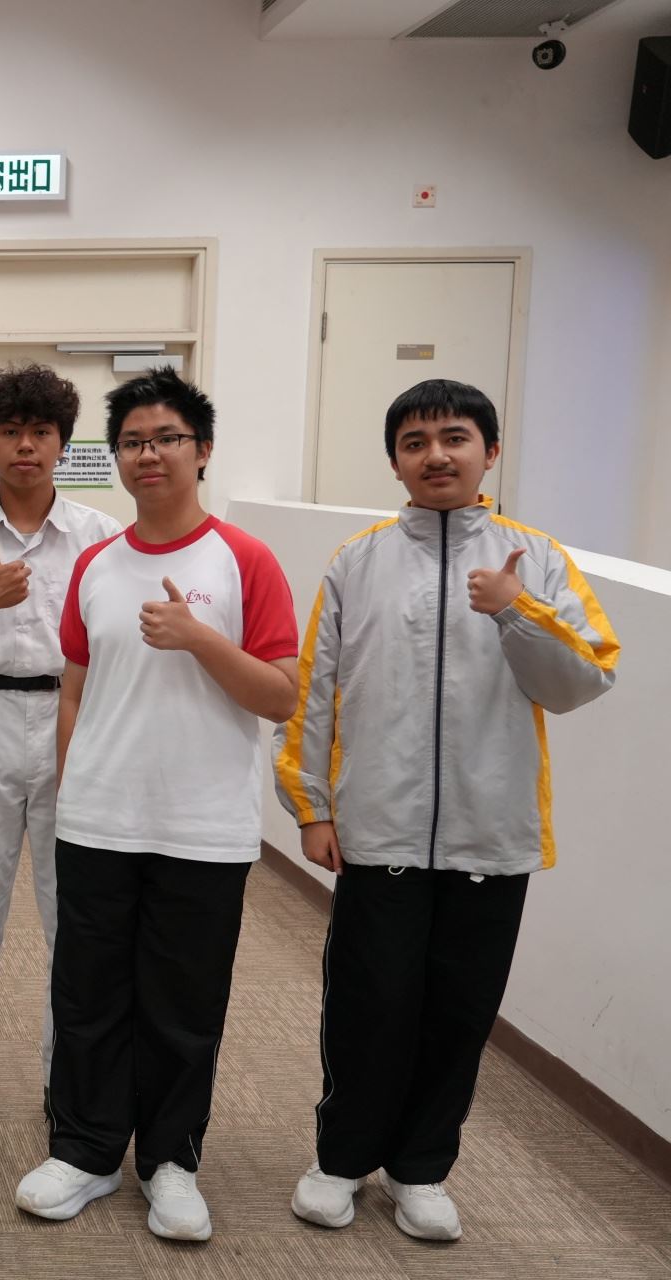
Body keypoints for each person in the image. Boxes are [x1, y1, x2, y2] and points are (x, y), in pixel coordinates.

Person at [277, 380, 618, 1242]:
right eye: (416, 442)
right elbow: (315, 692)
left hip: (491, 834)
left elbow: (583, 679)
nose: (436, 455)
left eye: (455, 438)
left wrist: (515, 613)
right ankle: (341, 1160)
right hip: (377, 830)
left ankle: (421, 1169)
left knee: (459, 1013)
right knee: (368, 1006)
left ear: (489, 452)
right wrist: (310, 806)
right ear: (395, 460)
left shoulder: (537, 559)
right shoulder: (355, 562)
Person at [15, 367, 299, 1242]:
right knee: (87, 994)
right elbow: (73, 689)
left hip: (203, 827)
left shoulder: (244, 560)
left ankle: (171, 1161)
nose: (149, 454)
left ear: (201, 450)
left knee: (183, 1003)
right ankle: (86, 1151)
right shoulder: (97, 564)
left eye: (167, 438)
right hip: (98, 819)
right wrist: (72, 786)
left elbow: (282, 695)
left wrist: (201, 640)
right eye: (133, 441)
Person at [0, 364, 120, 1159]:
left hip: (76, 723)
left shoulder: (102, 536)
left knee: (73, 917)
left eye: (41, 432)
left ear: (62, 443)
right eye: (11, 432)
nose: (27, 446)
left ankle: (64, 1081)